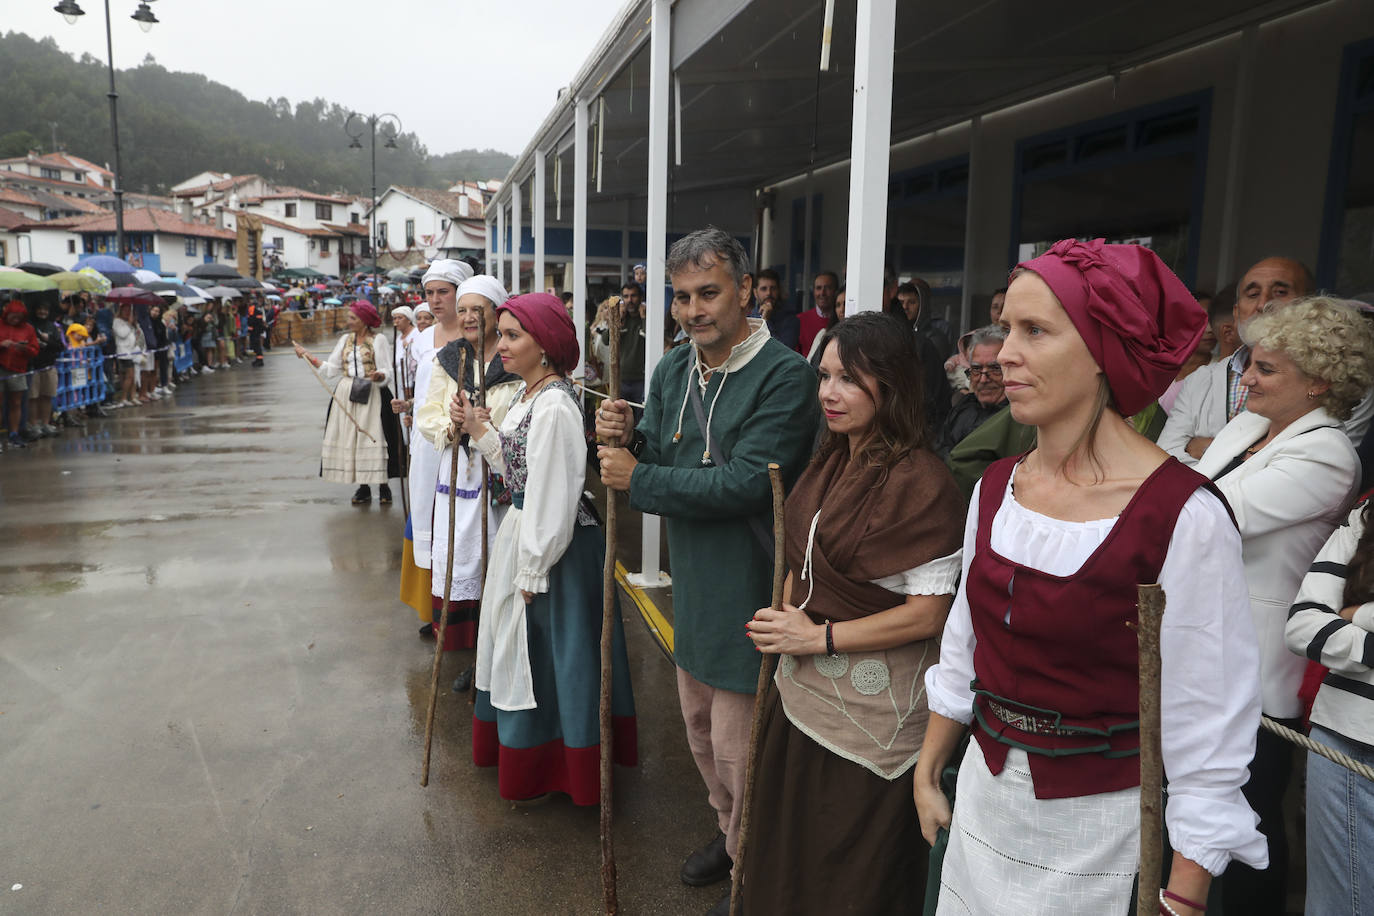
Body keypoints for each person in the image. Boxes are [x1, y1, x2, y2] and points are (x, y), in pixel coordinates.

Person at [915, 239, 1267, 916]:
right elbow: (965, 639)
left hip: (1102, 830)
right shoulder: (996, 487)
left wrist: (1185, 897)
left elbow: (1208, 726)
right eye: (1005, 328)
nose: (1002, 353)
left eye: (1035, 331)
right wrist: (932, 764)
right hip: (985, 805)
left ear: (1104, 350)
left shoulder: (1182, 516)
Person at [596, 227, 818, 916]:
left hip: (752, 589)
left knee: (738, 748)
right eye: (682, 296)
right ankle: (728, 833)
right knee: (697, 729)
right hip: (694, 588)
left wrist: (641, 478)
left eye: (709, 293)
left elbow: (751, 482)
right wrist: (625, 432)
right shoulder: (670, 369)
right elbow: (660, 447)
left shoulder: (787, 375)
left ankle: (753, 869)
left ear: (747, 291)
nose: (693, 310)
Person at [743, 312, 965, 914]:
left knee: (846, 874)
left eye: (848, 379)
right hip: (801, 700)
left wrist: (819, 639)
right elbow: (802, 555)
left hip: (874, 725)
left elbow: (928, 616)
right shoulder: (831, 460)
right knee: (793, 859)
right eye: (824, 377)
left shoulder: (924, 483)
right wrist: (786, 615)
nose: (828, 394)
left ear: (890, 385)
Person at [1193, 296, 1374, 915]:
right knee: (1191, 814)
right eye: (1251, 363)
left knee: (1250, 829)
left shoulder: (1328, 453)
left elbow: (1207, 516)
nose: (1246, 377)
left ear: (1320, 381)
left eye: (1266, 368)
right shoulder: (1248, 426)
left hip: (1257, 664)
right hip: (1200, 647)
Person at [451, 292, 637, 803]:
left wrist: (533, 570)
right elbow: (519, 473)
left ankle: (562, 765)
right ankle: (537, 756)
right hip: (526, 531)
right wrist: (479, 429)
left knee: (556, 654)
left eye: (513, 336)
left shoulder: (554, 404)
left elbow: (554, 493)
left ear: (546, 344)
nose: (502, 345)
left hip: (554, 548)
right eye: (503, 334)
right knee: (529, 650)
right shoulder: (529, 395)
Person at [414, 276, 520, 661]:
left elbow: (522, 419)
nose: (468, 317)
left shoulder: (514, 358)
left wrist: (489, 425)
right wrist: (452, 422)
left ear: (496, 313)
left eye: (477, 309)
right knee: (460, 557)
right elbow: (427, 414)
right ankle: (474, 658)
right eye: (463, 310)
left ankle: (498, 654)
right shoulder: (451, 358)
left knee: (497, 559)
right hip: (457, 472)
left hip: (497, 475)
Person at [1285, 501, 1374, 916]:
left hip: (1347, 736)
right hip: (1345, 742)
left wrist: (1360, 614)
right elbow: (1304, 626)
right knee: (1336, 907)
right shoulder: (1366, 516)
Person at [406, 260, 474, 634]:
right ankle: (435, 611)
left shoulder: (472, 337)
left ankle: (461, 617)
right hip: (425, 441)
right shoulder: (420, 338)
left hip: (459, 443)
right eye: (429, 292)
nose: (434, 300)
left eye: (442, 291)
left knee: (457, 522)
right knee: (427, 519)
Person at [294, 301, 393, 505]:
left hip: (372, 393)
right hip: (348, 391)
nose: (348, 322)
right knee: (353, 438)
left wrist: (379, 375)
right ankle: (363, 487)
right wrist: (308, 356)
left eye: (353, 318)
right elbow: (332, 368)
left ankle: (383, 485)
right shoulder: (345, 340)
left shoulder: (379, 340)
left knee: (374, 435)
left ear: (364, 321)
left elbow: (388, 370)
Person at [933, 325, 1009, 459]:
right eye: (976, 369)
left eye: (995, 368)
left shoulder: (1018, 419)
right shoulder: (963, 407)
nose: (983, 379)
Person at [598, 282, 648, 409]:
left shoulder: (648, 317)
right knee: (620, 418)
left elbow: (650, 338)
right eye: (626, 296)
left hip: (642, 379)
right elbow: (605, 340)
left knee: (640, 421)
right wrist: (617, 319)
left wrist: (644, 318)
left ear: (641, 297)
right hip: (621, 379)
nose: (629, 300)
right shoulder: (621, 318)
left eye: (633, 296)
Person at [1, 300, 39, 447]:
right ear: (7, 314)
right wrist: (2, 345)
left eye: (19, 317)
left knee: (16, 403)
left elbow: (35, 350)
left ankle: (14, 434)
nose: (15, 319)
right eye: (12, 316)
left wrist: (26, 349)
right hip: (1, 368)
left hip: (19, 369)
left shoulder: (28, 329)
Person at [26, 301, 64, 437]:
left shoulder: (52, 326)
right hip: (33, 367)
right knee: (33, 397)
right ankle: (33, 424)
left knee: (47, 396)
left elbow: (60, 346)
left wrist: (47, 340)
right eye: (40, 309)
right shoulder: (29, 326)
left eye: (45, 310)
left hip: (49, 365)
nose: (42, 312)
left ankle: (46, 424)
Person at [754, 268, 799, 352]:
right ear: (755, 293)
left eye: (773, 288)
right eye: (764, 289)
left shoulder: (791, 320)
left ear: (778, 291)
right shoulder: (748, 318)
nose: (769, 293)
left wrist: (766, 321)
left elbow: (783, 352)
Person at [797, 270, 839, 357]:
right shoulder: (800, 320)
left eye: (828, 288)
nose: (822, 293)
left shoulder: (842, 319)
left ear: (836, 291)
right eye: (818, 288)